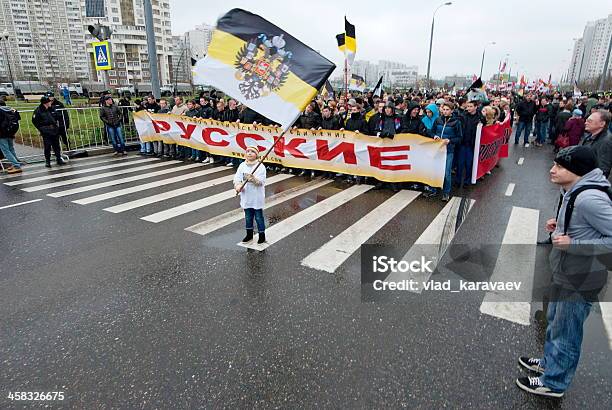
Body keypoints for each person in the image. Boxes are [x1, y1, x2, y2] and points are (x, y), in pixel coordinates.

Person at [516, 145, 611, 398]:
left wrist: (574, 244)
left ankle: (554, 383)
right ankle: (549, 363)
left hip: (580, 277)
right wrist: (559, 226)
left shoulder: (590, 198)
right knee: (555, 323)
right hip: (566, 270)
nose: (552, 169)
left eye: (559, 166)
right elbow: (586, 227)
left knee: (566, 333)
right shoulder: (574, 190)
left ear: (577, 170)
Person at [425, 101, 463, 202]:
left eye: (447, 110)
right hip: (437, 149)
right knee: (434, 169)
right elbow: (431, 131)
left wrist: (450, 140)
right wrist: (434, 136)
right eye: (444, 109)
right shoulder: (438, 120)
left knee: (446, 172)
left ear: (452, 111)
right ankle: (433, 189)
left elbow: (459, 138)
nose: (445, 112)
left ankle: (446, 192)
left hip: (448, 150)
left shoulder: (456, 122)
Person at [234, 146, 267, 244]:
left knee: (258, 217)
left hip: (256, 197)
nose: (249, 153)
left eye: (252, 152)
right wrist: (238, 185)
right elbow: (237, 178)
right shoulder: (242, 165)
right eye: (248, 151)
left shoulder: (260, 166)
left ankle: (262, 235)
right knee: (248, 216)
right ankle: (249, 234)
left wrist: (253, 179)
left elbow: (261, 182)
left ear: (256, 154)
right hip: (246, 196)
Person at [32, 96, 65, 168]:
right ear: (45, 103)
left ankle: (58, 159)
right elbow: (35, 121)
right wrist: (42, 129)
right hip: (46, 131)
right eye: (49, 102)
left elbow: (57, 116)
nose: (51, 102)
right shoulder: (38, 111)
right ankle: (48, 161)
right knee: (47, 147)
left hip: (54, 130)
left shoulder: (51, 109)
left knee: (56, 146)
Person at [457, 100, 483, 187]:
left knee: (469, 164)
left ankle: (467, 181)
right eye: (467, 106)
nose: (468, 108)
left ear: (475, 107)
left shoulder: (480, 118)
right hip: (462, 143)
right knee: (460, 164)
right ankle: (458, 181)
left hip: (472, 145)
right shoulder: (463, 116)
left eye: (471, 106)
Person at [580, 109, 612, 178]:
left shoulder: (606, 141)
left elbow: (603, 169)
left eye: (589, 121)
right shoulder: (591, 135)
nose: (585, 123)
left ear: (602, 124)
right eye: (586, 120)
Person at [0, 99, 22, 174]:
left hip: (2, 133)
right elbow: (18, 118)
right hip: (11, 132)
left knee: (6, 150)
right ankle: (15, 163)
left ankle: (16, 166)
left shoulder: (0, 111)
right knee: (11, 148)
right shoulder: (11, 109)